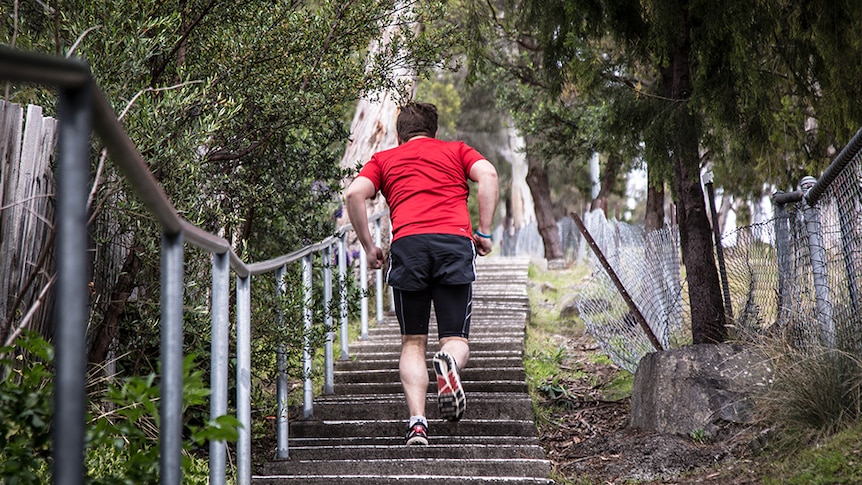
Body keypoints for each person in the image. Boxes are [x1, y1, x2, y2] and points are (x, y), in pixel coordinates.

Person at [344, 101, 498, 446]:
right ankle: (448, 363)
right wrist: (484, 232)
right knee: (455, 338)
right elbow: (488, 174)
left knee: (412, 340)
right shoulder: (456, 151)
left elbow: (354, 193)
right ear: (435, 131)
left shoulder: (384, 160)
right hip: (453, 244)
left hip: (408, 247)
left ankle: (417, 424)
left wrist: (369, 248)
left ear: (398, 135)